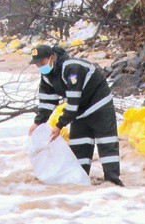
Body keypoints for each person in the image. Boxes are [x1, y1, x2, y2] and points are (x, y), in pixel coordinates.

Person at [28, 45, 123, 186]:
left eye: (42, 63)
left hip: (99, 105)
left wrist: (59, 125)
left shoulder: (72, 68)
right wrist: (38, 122)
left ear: (51, 58)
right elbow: (47, 100)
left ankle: (113, 183)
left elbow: (73, 101)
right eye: (37, 64)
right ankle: (81, 185)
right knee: (79, 146)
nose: (40, 67)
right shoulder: (48, 76)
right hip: (79, 110)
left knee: (106, 143)